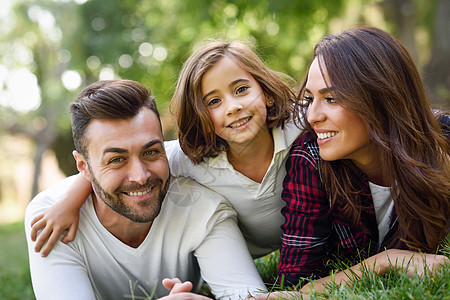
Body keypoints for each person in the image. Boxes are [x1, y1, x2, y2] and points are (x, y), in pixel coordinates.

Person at [29, 39, 303, 258]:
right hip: (238, 253)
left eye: (241, 89)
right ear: (200, 116)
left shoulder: (300, 128)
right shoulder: (190, 159)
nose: (233, 107)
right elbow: (124, 164)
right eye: (213, 102)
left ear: (266, 92)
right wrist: (69, 203)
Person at [253, 26, 450, 299]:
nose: (312, 116)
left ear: (381, 98)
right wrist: (385, 260)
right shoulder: (310, 160)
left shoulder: (442, 141)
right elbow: (295, 286)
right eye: (310, 99)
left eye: (331, 98)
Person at [25, 80, 267, 300]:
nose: (140, 176)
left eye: (150, 152)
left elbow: (246, 295)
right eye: (116, 159)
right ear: (83, 167)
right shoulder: (50, 219)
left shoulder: (204, 207)